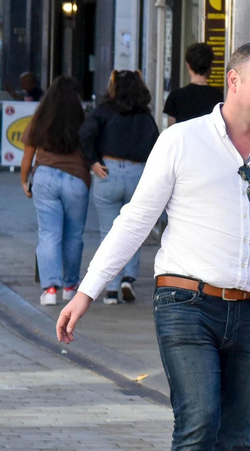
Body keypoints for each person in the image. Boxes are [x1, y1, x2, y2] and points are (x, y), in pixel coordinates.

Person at [58, 40, 250, 451]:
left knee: (239, 440)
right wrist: (87, 290)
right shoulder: (183, 140)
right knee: (200, 419)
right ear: (234, 82)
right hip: (187, 303)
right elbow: (136, 217)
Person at [81, 69, 160, 305]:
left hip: (108, 172)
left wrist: (93, 161)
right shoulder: (145, 116)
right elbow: (156, 145)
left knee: (109, 232)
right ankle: (128, 279)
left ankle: (111, 289)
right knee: (135, 230)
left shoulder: (103, 112)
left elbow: (85, 134)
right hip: (138, 175)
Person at [19, 75, 91, 306]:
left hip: (45, 178)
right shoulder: (83, 119)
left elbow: (27, 155)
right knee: (73, 236)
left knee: (49, 234)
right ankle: (70, 286)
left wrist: (24, 181)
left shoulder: (40, 118)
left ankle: (50, 289)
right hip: (76, 179)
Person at [165, 43, 223, 125]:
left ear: (188, 65)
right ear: (210, 66)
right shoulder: (218, 96)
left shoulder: (176, 96)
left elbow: (171, 130)